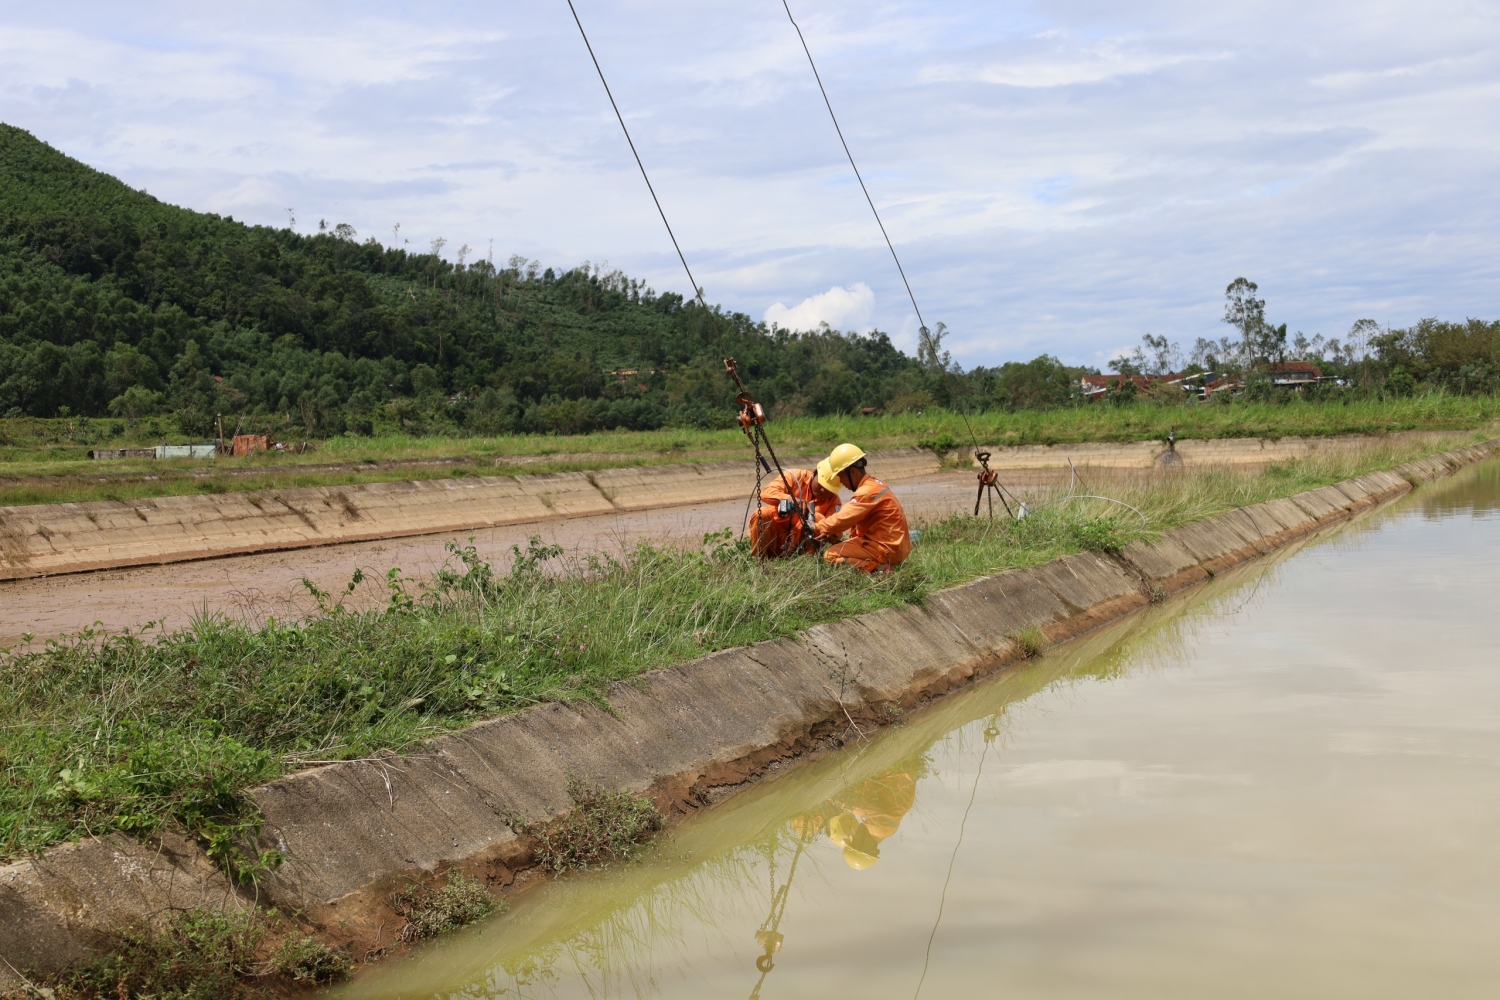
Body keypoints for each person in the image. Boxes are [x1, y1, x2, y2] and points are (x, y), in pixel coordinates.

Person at [813, 443, 912, 572]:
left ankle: (879, 569)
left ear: (852, 472)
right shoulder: (875, 483)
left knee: (830, 555)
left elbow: (842, 520)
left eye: (841, 476)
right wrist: (829, 532)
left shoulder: (866, 492)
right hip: (895, 546)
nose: (841, 482)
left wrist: (815, 528)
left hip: (886, 549)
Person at [748, 468, 842, 558]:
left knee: (818, 518)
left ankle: (806, 562)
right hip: (773, 536)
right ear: (814, 473)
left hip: (798, 548)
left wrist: (829, 535)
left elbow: (836, 530)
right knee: (761, 513)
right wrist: (791, 499)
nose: (823, 490)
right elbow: (766, 492)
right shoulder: (794, 476)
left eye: (829, 489)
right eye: (821, 484)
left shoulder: (834, 501)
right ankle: (759, 560)